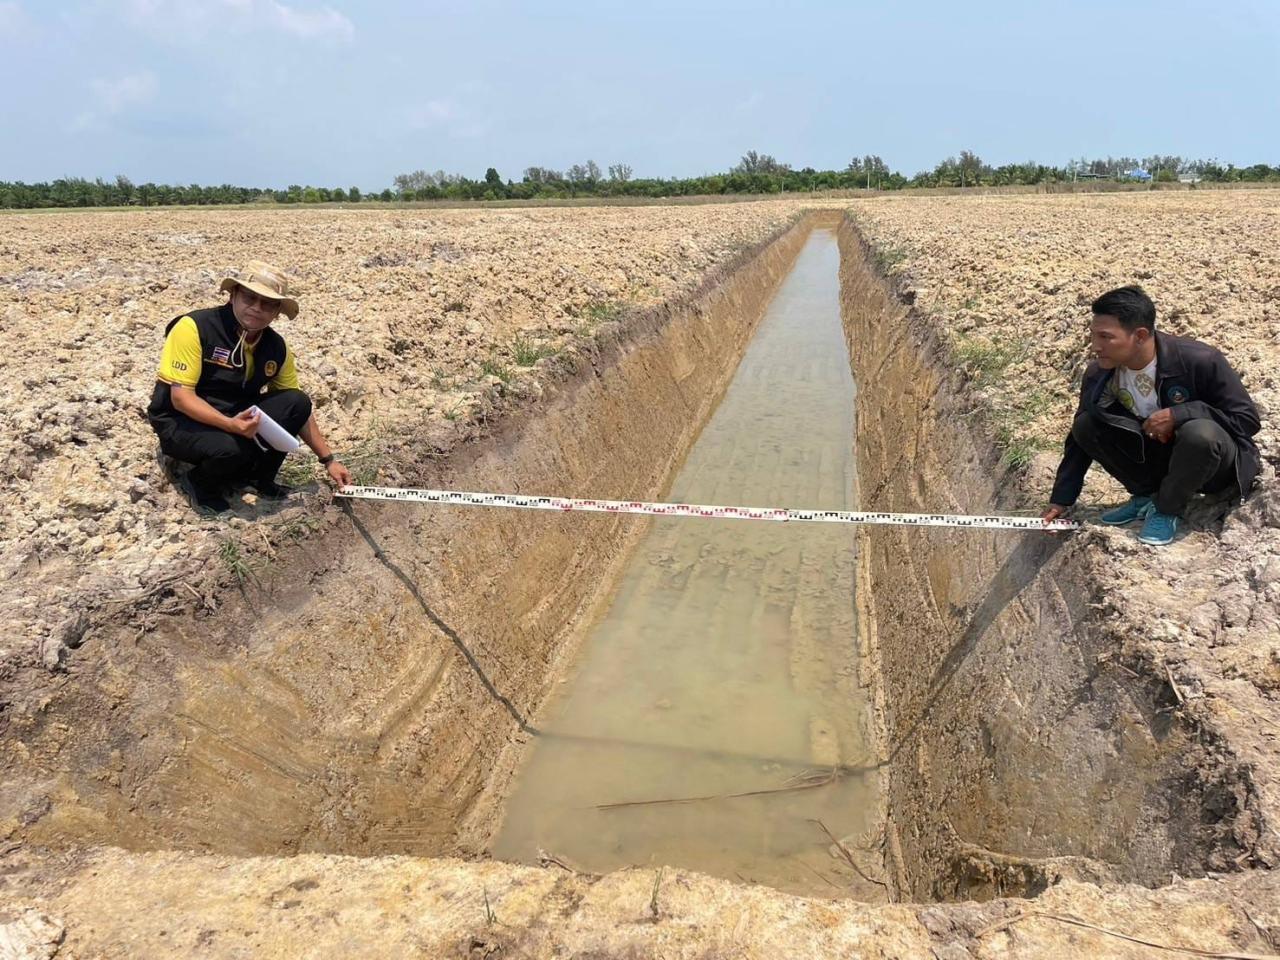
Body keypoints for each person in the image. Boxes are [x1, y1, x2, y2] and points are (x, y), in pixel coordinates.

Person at [1043, 285, 1260, 545]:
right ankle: (1146, 496)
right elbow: (1078, 441)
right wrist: (1061, 499)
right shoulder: (1100, 373)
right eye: (1093, 336)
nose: (1095, 346)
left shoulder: (1200, 360)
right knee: (1087, 425)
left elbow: (1246, 419)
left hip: (1211, 467)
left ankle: (1166, 508)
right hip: (1159, 458)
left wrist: (1181, 413)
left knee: (1199, 433)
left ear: (1140, 335)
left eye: (1105, 337)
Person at [147, 259, 353, 513]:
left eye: (267, 304)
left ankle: (258, 479)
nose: (257, 308)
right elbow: (181, 398)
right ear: (233, 295)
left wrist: (329, 460)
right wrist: (230, 425)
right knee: (229, 448)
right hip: (181, 420)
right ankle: (201, 483)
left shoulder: (276, 347)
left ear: (277, 311)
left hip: (235, 414)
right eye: (249, 298)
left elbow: (297, 412)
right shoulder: (194, 328)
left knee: (296, 402)